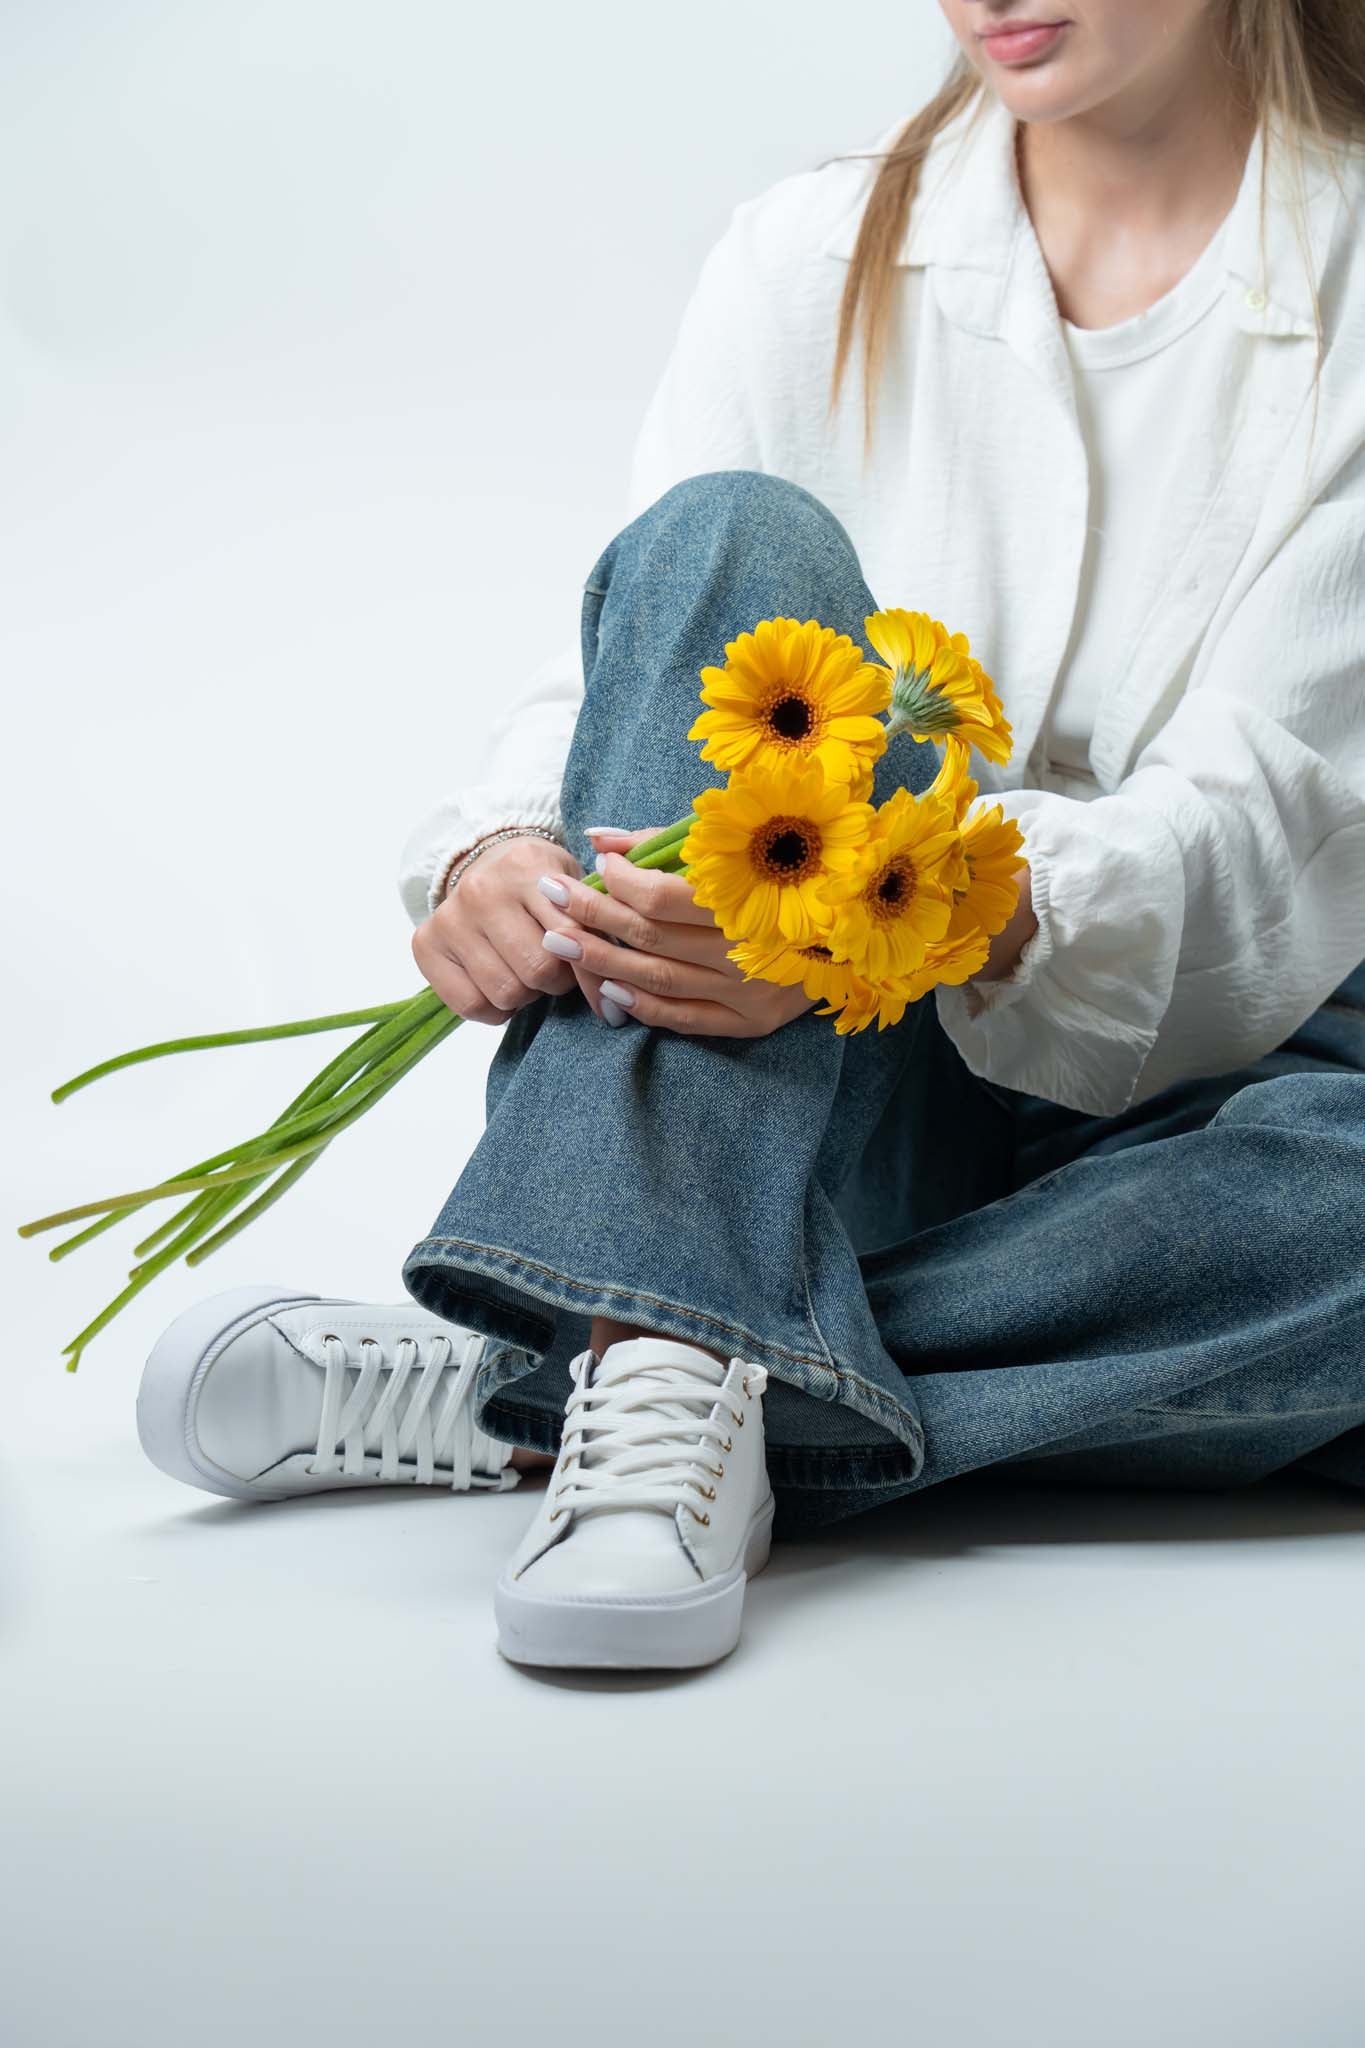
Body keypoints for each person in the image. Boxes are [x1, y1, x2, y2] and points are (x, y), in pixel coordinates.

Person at [136, 1, 1365, 1672]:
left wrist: (896, 914)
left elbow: (1271, 800)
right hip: (803, 1095)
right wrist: (505, 850)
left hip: (1233, 1087)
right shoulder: (807, 251)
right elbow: (650, 649)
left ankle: (583, 1365)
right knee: (729, 536)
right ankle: (662, 1360)